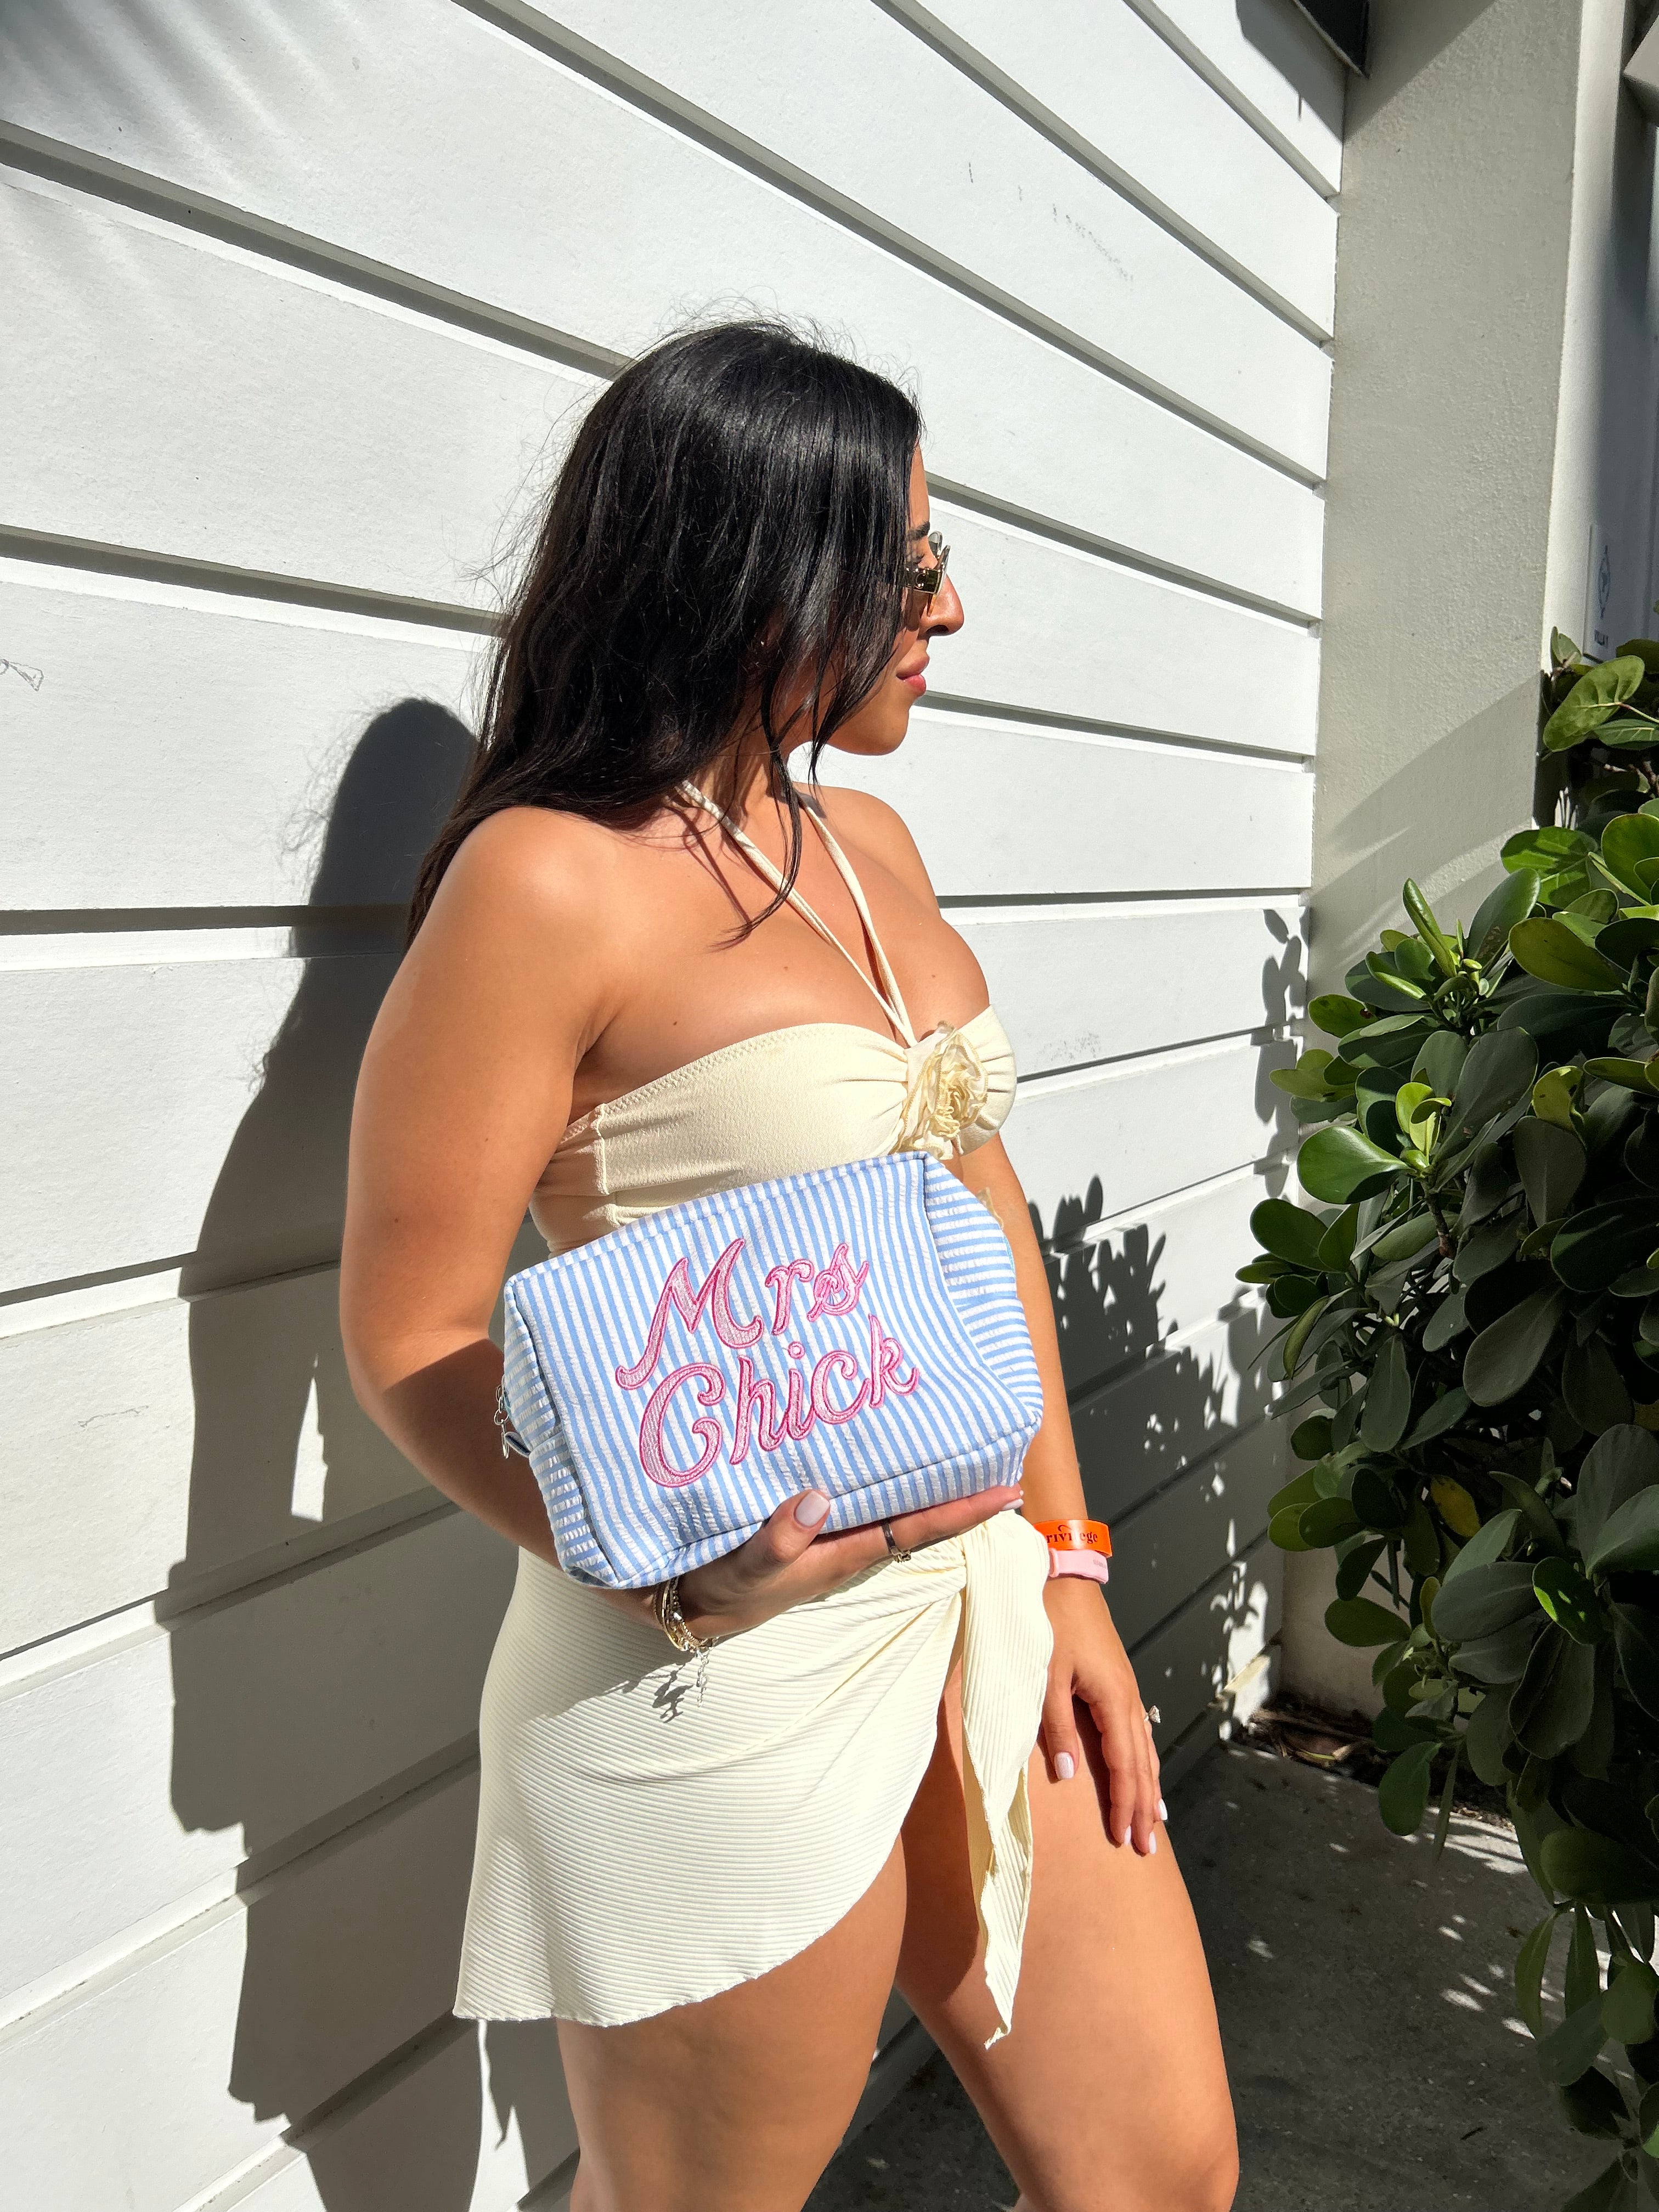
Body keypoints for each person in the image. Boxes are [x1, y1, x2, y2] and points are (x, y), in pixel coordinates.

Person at [341, 321, 1237, 2212]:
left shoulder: (872, 847)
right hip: (716, 1668)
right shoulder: (546, 883)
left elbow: (982, 1225)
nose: (949, 609)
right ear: (757, 572)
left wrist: (1073, 1568)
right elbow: (410, 1333)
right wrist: (672, 1569)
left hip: (990, 1605)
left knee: (1159, 2177)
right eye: (908, 567)